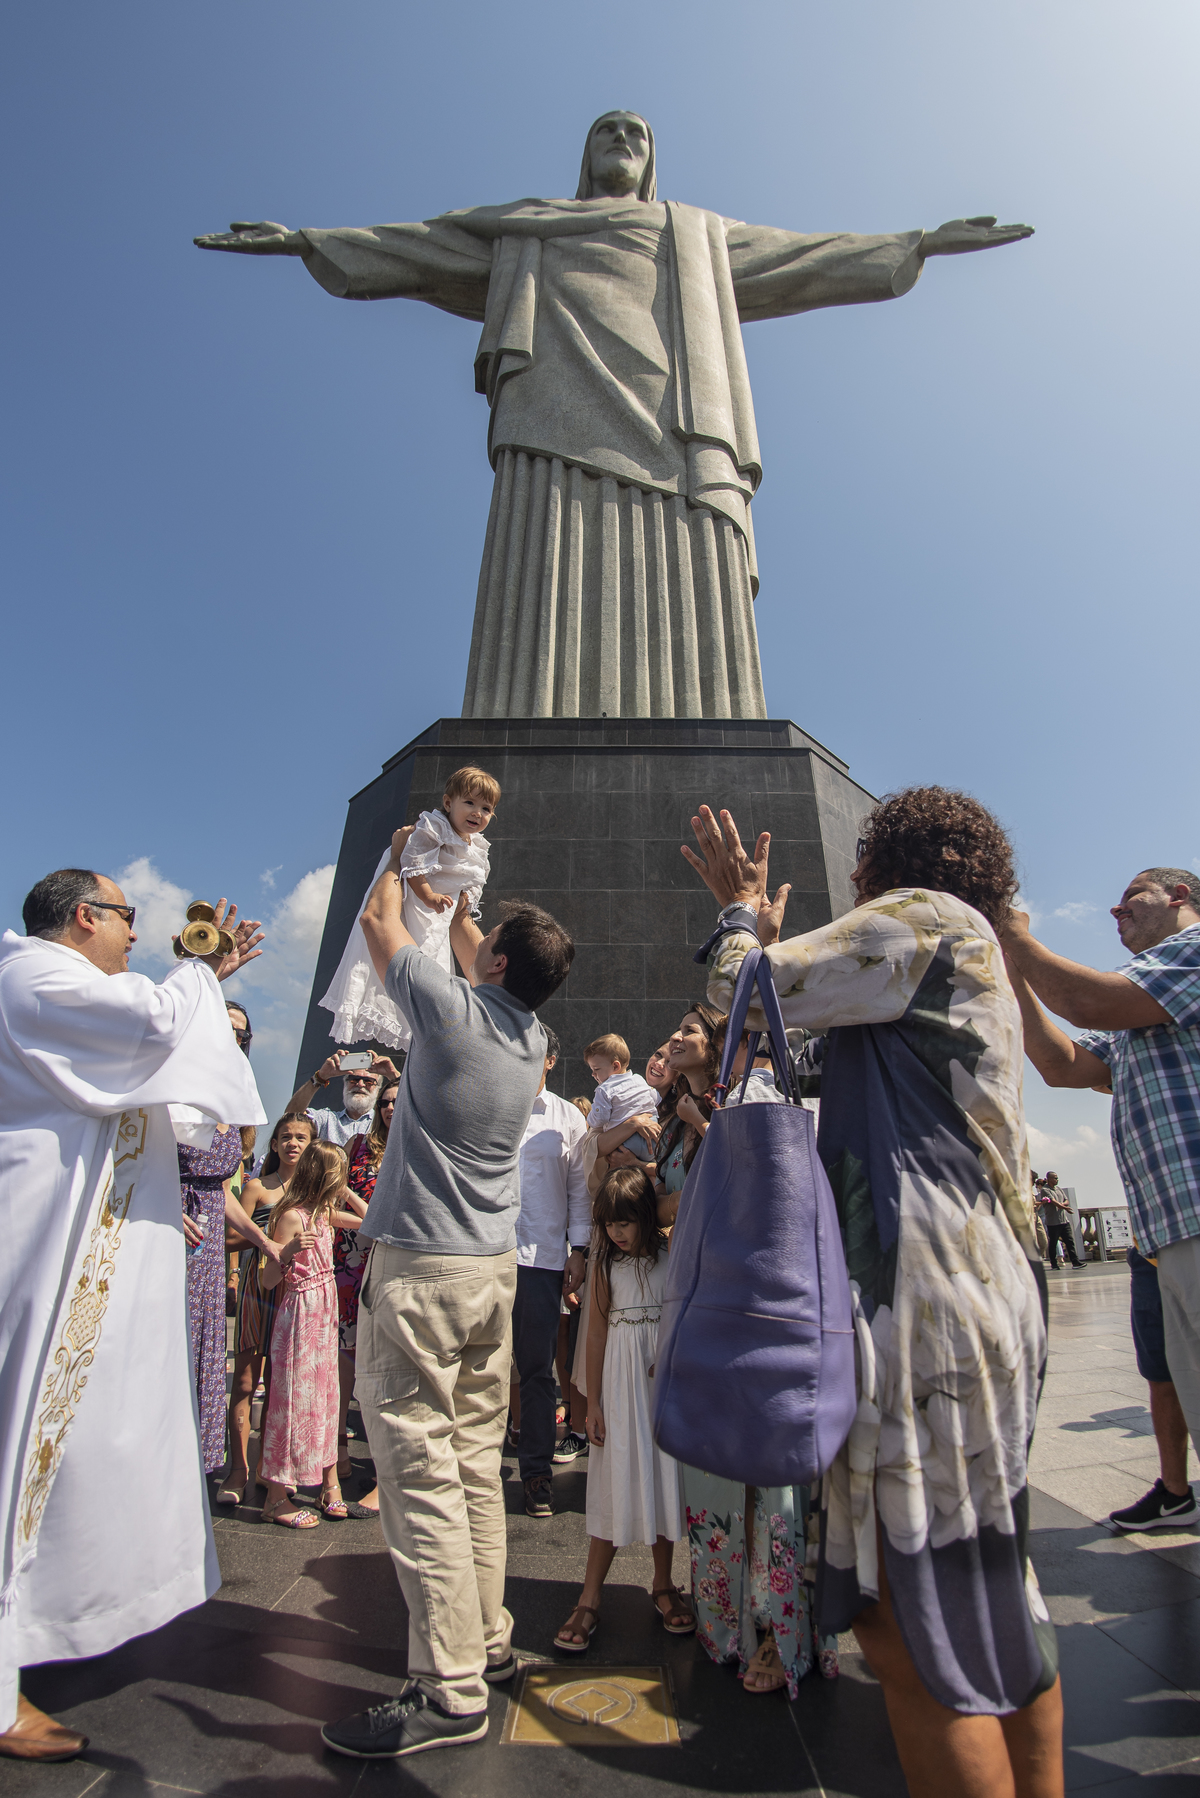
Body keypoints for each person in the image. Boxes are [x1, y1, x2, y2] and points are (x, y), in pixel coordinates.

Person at [684, 797, 1061, 1798]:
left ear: (884, 867)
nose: (856, 883)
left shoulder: (922, 917)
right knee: (997, 1597)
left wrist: (740, 916)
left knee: (913, 1626)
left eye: (863, 866)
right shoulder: (972, 949)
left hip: (924, 1301)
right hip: (984, 1293)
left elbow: (743, 990)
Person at [318, 830, 573, 1761]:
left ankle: (446, 1688)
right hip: (491, 1274)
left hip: (422, 1272)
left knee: (420, 1470)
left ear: (496, 963)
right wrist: (465, 899)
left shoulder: (449, 1009)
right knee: (471, 1466)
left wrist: (401, 855)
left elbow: (381, 922)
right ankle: (489, 1642)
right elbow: (476, 949)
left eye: (488, 939)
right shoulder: (532, 1038)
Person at [0, 870, 265, 1761]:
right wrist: (201, 974)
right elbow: (154, 1024)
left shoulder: (57, 985)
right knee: (24, 1436)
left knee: (75, 1442)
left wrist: (204, 980)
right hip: (42, 1246)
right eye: (125, 917)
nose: (136, 934)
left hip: (73, 1247)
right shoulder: (32, 975)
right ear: (84, 916)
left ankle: (43, 1622)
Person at [1001, 865, 1200, 1531]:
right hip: (1168, 1226)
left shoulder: (1192, 954)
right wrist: (1014, 970)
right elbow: (1063, 1065)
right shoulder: (1142, 1006)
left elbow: (1087, 1004)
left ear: (1180, 896)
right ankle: (1178, 1491)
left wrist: (1013, 935)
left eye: (1130, 899)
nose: (1115, 913)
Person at [682, 1023, 839, 1698]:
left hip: (764, 1308)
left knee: (767, 1485)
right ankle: (736, 1622)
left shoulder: (761, 1098)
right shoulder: (712, 1103)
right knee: (732, 1479)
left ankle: (773, 1630)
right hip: (722, 1304)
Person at [555, 1168, 692, 1653]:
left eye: (625, 1222)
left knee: (662, 1477)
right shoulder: (604, 1267)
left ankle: (663, 1584)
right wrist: (592, 1402)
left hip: (659, 1387)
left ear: (644, 1217)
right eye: (608, 1223)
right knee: (613, 1481)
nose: (616, 1231)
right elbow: (594, 1334)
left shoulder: (670, 1257)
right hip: (618, 1386)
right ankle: (589, 1597)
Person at [319, 767, 500, 1050]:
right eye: (469, 803)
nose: (478, 812)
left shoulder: (477, 845)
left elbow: (471, 879)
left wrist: (464, 900)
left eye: (486, 808)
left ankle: (418, 1009)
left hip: (444, 908)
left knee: (430, 957)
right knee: (405, 945)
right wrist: (428, 895)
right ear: (448, 802)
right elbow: (413, 864)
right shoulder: (435, 827)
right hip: (417, 896)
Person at [257, 1141, 360, 1526]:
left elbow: (370, 1220)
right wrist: (286, 1253)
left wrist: (346, 1193)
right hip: (300, 1315)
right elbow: (268, 1281)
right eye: (338, 1174)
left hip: (325, 1314)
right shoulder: (291, 1217)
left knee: (327, 1398)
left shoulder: (323, 1214)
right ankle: (275, 1497)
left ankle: (328, 1484)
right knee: (293, 1401)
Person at [219, 1113, 318, 1506]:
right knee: (245, 1381)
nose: (293, 1143)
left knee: (282, 1384)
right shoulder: (257, 1187)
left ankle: (270, 1467)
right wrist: (268, 1238)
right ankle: (238, 1468)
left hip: (294, 1293)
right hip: (256, 1289)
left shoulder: (314, 1193)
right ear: (274, 1144)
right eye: (285, 1137)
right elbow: (228, 1238)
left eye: (301, 1137)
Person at [512, 1028, 590, 1518]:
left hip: (541, 1261)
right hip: (485, 1253)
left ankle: (536, 1473)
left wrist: (578, 1250)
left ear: (550, 1061)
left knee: (538, 1370)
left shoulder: (568, 1117)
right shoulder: (490, 1103)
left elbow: (580, 1190)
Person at [176, 1115, 280, 1475]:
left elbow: (221, 1192)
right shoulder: (177, 1106)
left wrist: (264, 1242)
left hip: (207, 1250)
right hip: (171, 1227)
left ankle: (191, 1456)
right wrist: (163, 1202)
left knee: (202, 1338)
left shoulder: (234, 1124)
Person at [337, 1080, 402, 1517]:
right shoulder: (358, 1145)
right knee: (344, 1356)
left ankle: (384, 1473)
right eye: (385, 1103)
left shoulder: (417, 1145)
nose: (391, 1109)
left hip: (393, 1261)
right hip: (350, 1260)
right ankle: (337, 1448)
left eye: (399, 1101)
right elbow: (330, 1193)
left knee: (385, 1366)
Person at [286, 1049, 398, 1145]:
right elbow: (291, 1117)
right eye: (354, 1080)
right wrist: (320, 1077)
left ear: (378, 1089)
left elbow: (408, 1119)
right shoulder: (327, 1120)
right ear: (345, 1084)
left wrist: (394, 1075)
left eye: (368, 1082)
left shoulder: (386, 1121)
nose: (360, 1085)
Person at [585, 1033, 660, 1161]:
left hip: (625, 1143)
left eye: (596, 1069)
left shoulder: (604, 1090)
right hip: (653, 1139)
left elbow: (600, 1118)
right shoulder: (639, 1079)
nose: (593, 1074)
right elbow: (656, 1098)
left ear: (615, 1066)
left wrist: (589, 1119)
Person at [1036, 1170, 1082, 1270]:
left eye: (1057, 1178)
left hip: (1064, 1220)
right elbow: (1053, 1202)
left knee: (1069, 1241)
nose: (1057, 1180)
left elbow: (1066, 1200)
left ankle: (1075, 1262)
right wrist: (1065, 1207)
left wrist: (1063, 1205)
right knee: (1053, 1243)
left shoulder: (1058, 1189)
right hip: (1053, 1222)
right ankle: (1054, 1263)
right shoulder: (1045, 1190)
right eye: (1055, 1178)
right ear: (1049, 1179)